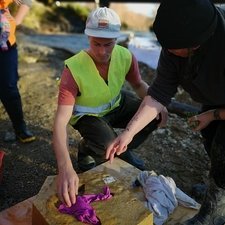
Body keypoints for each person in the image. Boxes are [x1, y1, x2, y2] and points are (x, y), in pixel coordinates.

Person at [106, 0, 225, 224]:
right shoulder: (178, 37)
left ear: (196, 44)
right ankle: (217, 187)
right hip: (215, 97)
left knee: (224, 148)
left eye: (173, 48)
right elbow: (159, 93)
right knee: (211, 142)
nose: (167, 51)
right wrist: (128, 133)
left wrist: (212, 115)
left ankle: (212, 215)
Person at [52, 7, 166, 207]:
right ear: (88, 37)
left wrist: (157, 102)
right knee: (108, 145)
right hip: (87, 116)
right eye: (97, 44)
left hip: (116, 105)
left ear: (117, 39)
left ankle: (120, 150)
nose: (102, 51)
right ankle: (88, 146)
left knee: (152, 116)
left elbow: (138, 85)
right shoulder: (73, 69)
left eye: (109, 44)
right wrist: (65, 168)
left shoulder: (126, 56)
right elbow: (60, 123)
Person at [0, 0, 35, 143]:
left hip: (5, 42)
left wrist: (16, 21)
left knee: (9, 86)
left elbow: (27, 1)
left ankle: (19, 127)